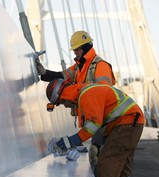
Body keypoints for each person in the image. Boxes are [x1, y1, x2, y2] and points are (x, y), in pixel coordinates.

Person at [45, 79, 144, 177]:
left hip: (125, 125)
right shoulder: (87, 91)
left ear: (64, 95)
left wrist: (68, 142)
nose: (66, 106)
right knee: (120, 171)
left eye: (62, 102)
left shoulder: (87, 95)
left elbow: (92, 126)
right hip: (130, 124)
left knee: (107, 167)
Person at [35, 30, 116, 165]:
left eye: (77, 49)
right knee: (97, 156)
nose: (74, 52)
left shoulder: (100, 66)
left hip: (103, 120)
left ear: (85, 47)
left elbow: (104, 92)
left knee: (101, 157)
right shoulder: (79, 67)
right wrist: (44, 73)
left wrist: (79, 90)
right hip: (92, 118)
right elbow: (61, 77)